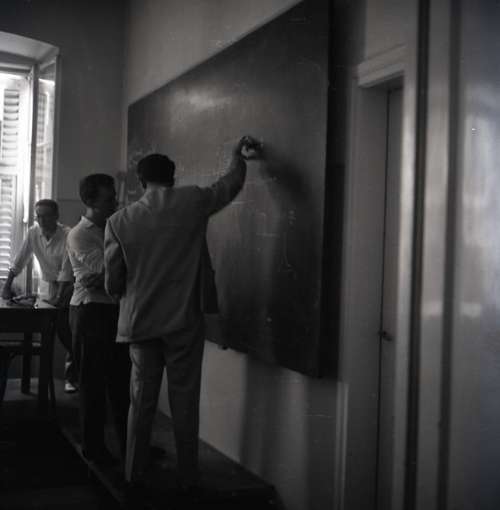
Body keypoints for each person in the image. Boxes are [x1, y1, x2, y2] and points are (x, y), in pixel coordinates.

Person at [104, 135, 261, 489]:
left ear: (141, 181)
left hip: (140, 323)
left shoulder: (119, 221)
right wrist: (236, 156)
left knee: (140, 401)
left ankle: (133, 474)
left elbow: (113, 283)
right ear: (173, 178)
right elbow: (229, 186)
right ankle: (189, 476)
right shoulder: (193, 201)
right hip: (183, 321)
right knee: (185, 401)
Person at [66, 174, 130, 465]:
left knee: (121, 382)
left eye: (114, 196)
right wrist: (112, 274)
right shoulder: (79, 234)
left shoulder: (115, 226)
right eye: (109, 199)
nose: (115, 202)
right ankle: (94, 449)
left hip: (113, 310)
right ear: (90, 201)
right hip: (89, 312)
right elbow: (111, 271)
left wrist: (109, 276)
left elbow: (112, 275)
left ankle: (130, 447)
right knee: (92, 385)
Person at [1, 199, 77, 393]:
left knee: (67, 333)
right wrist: (7, 285)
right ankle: (45, 383)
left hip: (68, 287)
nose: (41, 220)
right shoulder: (33, 233)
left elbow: (66, 271)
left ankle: (72, 377)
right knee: (45, 331)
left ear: (56, 216)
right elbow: (20, 260)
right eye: (38, 216)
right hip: (46, 288)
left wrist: (59, 299)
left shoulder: (68, 235)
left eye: (46, 216)